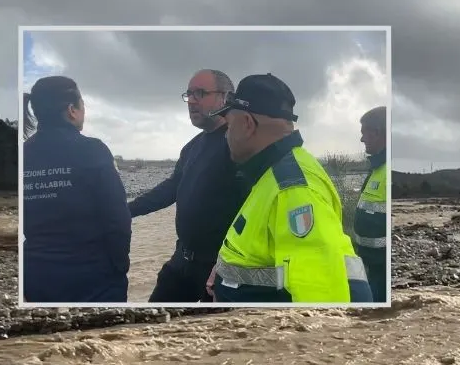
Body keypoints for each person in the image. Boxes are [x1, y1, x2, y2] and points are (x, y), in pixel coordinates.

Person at [204, 74, 371, 303]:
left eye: (229, 125)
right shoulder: (273, 173)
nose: (226, 135)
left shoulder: (293, 189)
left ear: (247, 124)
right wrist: (224, 273)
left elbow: (320, 298)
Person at [127, 69, 249, 302]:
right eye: (189, 94)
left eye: (200, 93)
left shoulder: (237, 146)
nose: (192, 101)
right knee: (152, 320)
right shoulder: (192, 147)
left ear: (226, 97)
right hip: (182, 260)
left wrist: (232, 265)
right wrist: (126, 210)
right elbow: (171, 188)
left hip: (219, 267)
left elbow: (254, 208)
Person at [21, 76, 131, 303]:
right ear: (72, 109)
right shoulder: (92, 150)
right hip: (92, 277)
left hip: (36, 273)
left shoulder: (23, 153)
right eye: (82, 104)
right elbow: (117, 218)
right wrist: (120, 265)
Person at [351, 106, 388, 303]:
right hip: (371, 264)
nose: (362, 139)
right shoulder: (377, 167)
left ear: (378, 133)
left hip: (382, 267)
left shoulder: (387, 170)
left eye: (365, 133)